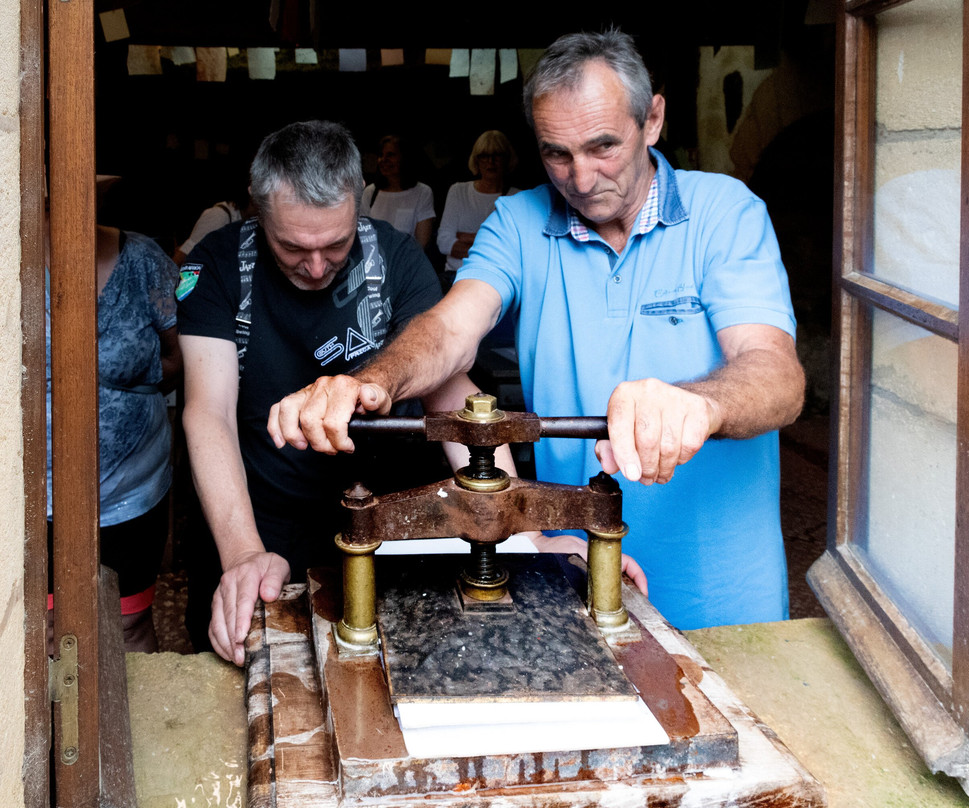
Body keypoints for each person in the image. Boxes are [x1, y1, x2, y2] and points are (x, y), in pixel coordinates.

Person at [268, 31, 805, 632]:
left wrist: (698, 405)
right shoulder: (520, 223)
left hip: (723, 593)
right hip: (577, 579)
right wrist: (370, 383)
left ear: (652, 118)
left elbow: (777, 375)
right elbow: (449, 331)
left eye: (602, 146)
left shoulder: (725, 213)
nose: (579, 178)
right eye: (557, 154)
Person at [176, 120, 471, 665]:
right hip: (256, 517)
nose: (315, 268)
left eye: (335, 244)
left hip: (385, 518)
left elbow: (451, 395)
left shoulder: (398, 260)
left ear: (357, 208)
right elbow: (207, 413)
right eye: (292, 247)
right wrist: (242, 554)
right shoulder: (217, 266)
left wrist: (518, 518)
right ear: (256, 211)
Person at [47, 213, 181, 652]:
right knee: (43, 629)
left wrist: (122, 381)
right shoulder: (13, 260)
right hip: (29, 498)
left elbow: (182, 358)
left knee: (128, 625)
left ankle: (132, 722)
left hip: (130, 491)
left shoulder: (142, 259)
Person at [437, 130, 519, 276]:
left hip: (498, 277)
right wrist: (493, 245)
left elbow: (516, 250)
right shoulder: (458, 191)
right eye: (484, 156)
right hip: (456, 276)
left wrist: (466, 237)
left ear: (507, 159)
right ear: (476, 160)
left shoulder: (518, 197)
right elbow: (444, 242)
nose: (490, 161)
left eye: (497, 155)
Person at [360, 134, 436, 250]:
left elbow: (422, 243)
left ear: (405, 158)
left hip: (407, 263)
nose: (383, 160)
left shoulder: (422, 192)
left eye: (390, 155)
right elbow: (363, 236)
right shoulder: (370, 192)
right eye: (381, 155)